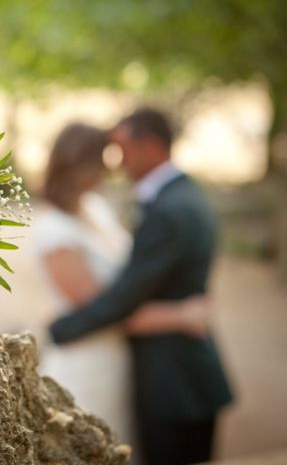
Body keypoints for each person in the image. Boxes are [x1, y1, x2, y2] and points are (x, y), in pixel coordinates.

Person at [48, 110, 233, 465]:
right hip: (162, 371)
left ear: (148, 146)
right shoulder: (181, 196)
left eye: (122, 149)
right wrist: (181, 314)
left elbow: (124, 298)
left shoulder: (169, 209)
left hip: (174, 381)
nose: (116, 163)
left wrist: (59, 327)